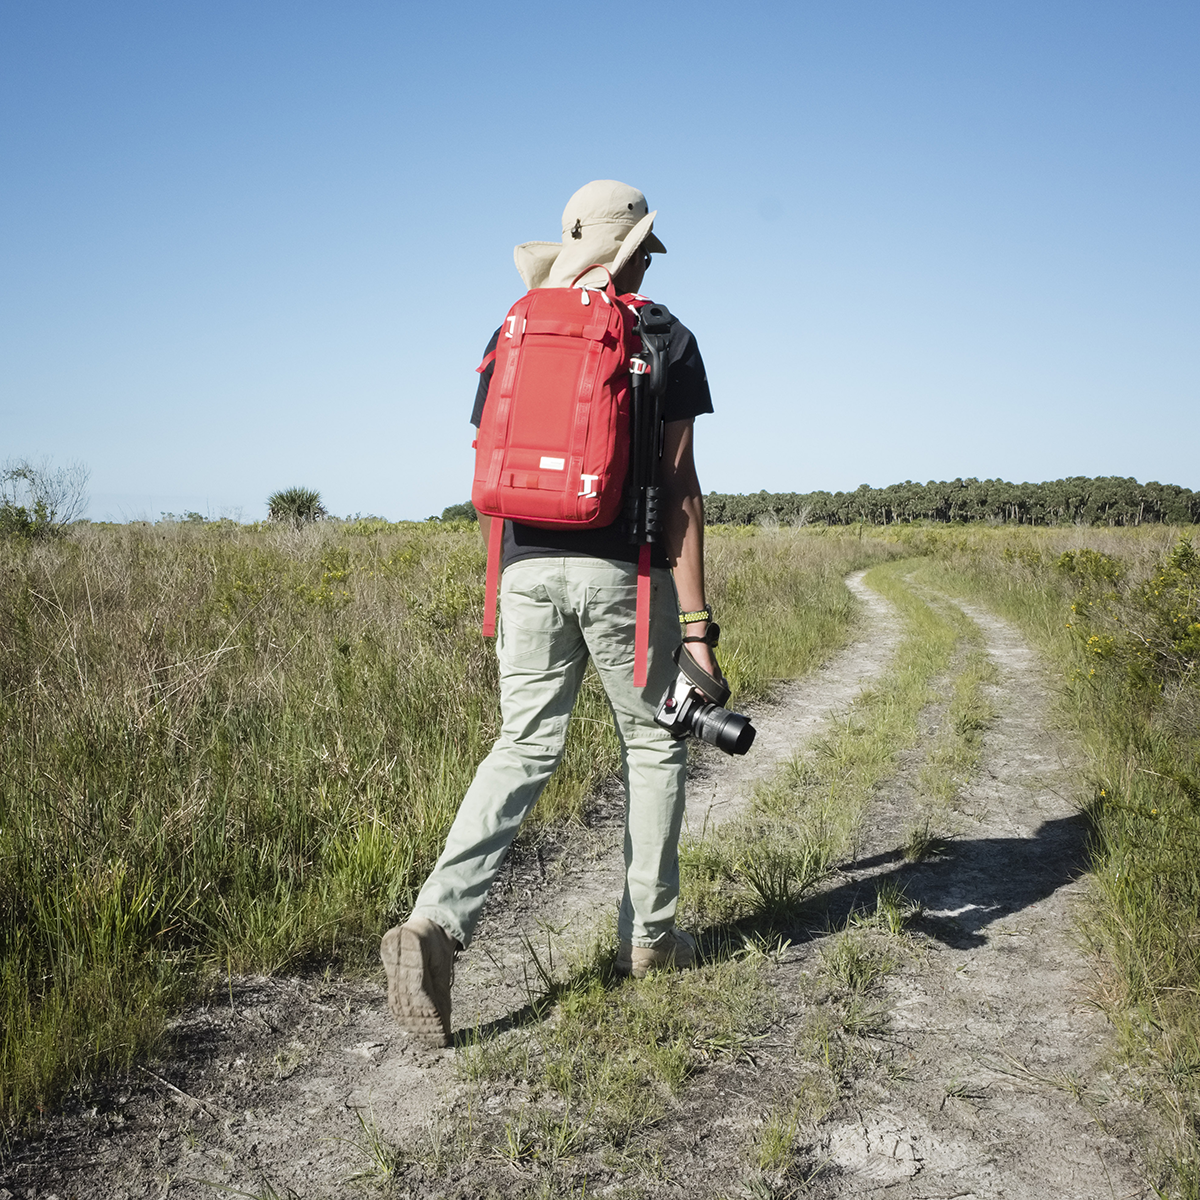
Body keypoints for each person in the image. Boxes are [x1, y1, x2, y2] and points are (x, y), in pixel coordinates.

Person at [380, 180, 717, 1047]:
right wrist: (697, 630)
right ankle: (649, 938)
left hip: (522, 573)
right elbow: (679, 489)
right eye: (646, 243)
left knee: (523, 745)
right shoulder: (662, 334)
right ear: (630, 250)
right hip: (623, 574)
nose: (650, 255)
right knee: (652, 742)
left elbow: (493, 462)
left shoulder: (514, 327)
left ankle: (434, 927)